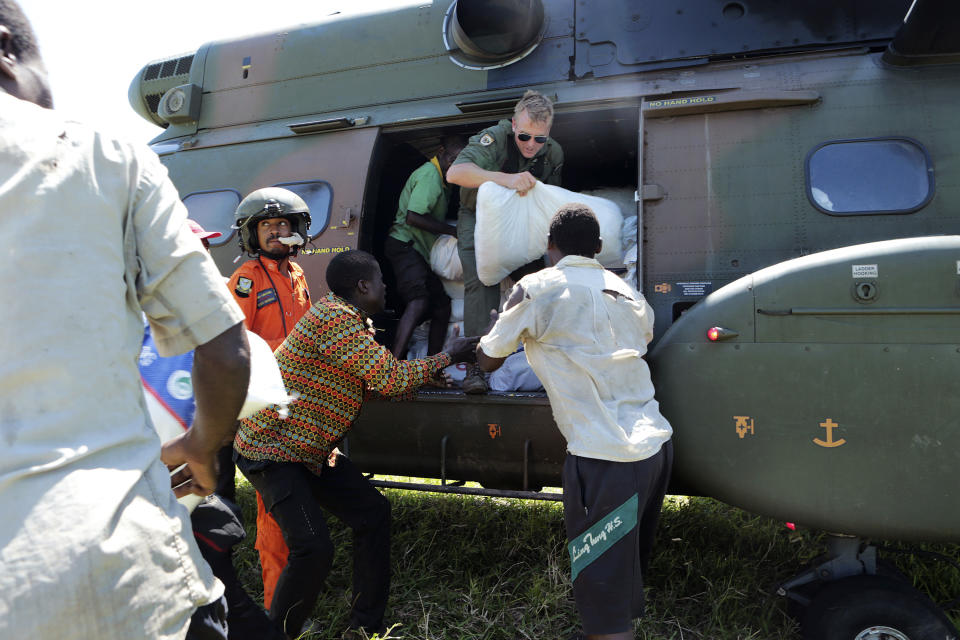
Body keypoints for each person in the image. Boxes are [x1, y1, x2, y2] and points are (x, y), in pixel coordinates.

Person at [0, 3, 251, 639]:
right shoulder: (102, 156)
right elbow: (225, 347)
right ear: (6, 48)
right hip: (119, 575)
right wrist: (203, 443)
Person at [234, 250, 479, 639]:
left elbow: (371, 383)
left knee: (372, 512)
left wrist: (421, 378)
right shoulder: (336, 320)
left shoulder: (349, 319)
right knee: (313, 549)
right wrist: (449, 355)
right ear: (363, 286)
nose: (386, 287)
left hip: (308, 450)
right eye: (381, 279)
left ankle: (364, 628)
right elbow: (389, 378)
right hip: (274, 450)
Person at [476, 204, 673, 640]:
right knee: (624, 564)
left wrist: (493, 329)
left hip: (605, 457)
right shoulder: (627, 293)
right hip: (654, 446)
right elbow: (640, 342)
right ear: (600, 248)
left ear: (550, 246)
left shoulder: (536, 288)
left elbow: (489, 360)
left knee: (601, 580)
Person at [140, 219, 285, 640]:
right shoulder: (138, 328)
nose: (205, 261)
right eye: (197, 251)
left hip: (178, 500)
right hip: (148, 514)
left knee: (221, 603)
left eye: (206, 250)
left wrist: (200, 443)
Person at [226, 187, 313, 611]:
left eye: (284, 225)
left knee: (301, 505)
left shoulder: (297, 276)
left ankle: (299, 590)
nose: (278, 233)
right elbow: (231, 341)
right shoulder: (246, 279)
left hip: (302, 406)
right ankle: (275, 606)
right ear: (251, 234)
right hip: (268, 412)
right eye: (267, 227)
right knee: (274, 513)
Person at [446, 89, 564, 393]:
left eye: (540, 139)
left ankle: (547, 358)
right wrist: (507, 179)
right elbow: (456, 173)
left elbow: (550, 199)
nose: (531, 145)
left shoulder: (553, 153)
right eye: (525, 136)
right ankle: (477, 370)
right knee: (481, 283)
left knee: (537, 284)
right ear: (514, 125)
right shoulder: (495, 138)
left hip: (521, 219)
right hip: (479, 217)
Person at [383, 135, 466, 359]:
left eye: (461, 161)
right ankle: (393, 365)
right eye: (452, 158)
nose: (455, 165)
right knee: (419, 301)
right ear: (441, 151)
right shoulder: (430, 175)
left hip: (417, 251)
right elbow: (413, 217)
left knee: (442, 306)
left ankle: (432, 367)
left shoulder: (442, 179)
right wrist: (452, 232)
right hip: (405, 246)